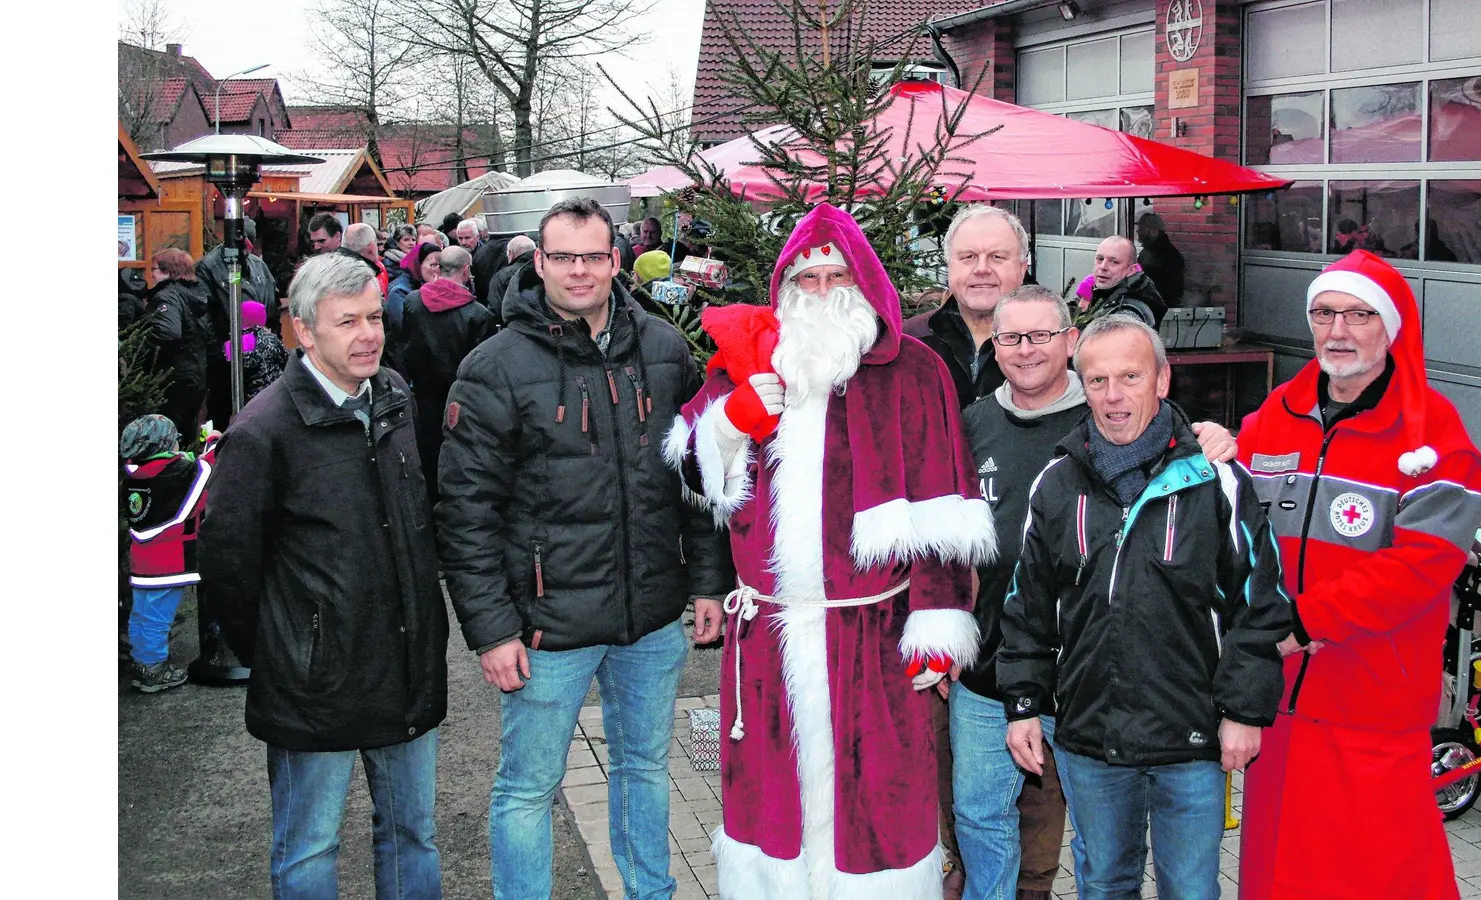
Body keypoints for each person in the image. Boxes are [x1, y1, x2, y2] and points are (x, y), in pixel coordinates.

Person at [665, 202, 995, 898]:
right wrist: (730, 423)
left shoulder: (914, 371)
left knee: (879, 811)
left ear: (864, 282)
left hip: (872, 640)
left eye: (836, 276)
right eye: (806, 280)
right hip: (767, 640)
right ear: (785, 288)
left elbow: (945, 517)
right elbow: (694, 474)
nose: (820, 293)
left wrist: (936, 630)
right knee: (771, 808)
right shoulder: (747, 367)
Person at [435, 197, 733, 900]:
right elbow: (465, 513)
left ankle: (649, 893)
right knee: (527, 790)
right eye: (563, 257)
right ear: (538, 262)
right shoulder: (494, 366)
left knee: (644, 769)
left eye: (593, 256)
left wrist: (708, 584)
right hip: (547, 626)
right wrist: (492, 628)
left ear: (616, 260)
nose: (579, 271)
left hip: (651, 616)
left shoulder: (663, 351)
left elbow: (698, 478)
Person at [952, 286, 1239, 900]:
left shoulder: (1170, 454)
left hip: (1145, 703)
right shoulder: (979, 430)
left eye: (1042, 336)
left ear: (1070, 342)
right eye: (1011, 338)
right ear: (993, 347)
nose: (1026, 350)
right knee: (1027, 837)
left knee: (1145, 867)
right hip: (1004, 675)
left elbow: (1249, 600)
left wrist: (1242, 708)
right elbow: (1011, 588)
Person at [1000, 314, 1292, 900]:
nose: (1113, 396)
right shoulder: (1056, 485)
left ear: (1162, 380)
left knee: (1189, 888)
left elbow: (1260, 604)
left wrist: (1243, 711)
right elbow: (1026, 609)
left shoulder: (1216, 481)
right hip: (1091, 737)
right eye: (1099, 379)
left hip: (1193, 738)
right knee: (1104, 884)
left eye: (1130, 376)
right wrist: (1024, 705)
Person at [198, 253, 450, 900]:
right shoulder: (262, 432)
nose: (369, 334)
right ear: (304, 331)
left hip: (405, 663)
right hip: (314, 685)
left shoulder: (392, 394)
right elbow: (228, 564)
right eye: (347, 322)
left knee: (412, 834)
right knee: (310, 848)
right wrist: (287, 650)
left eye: (374, 317)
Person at [1236, 250, 1481, 900]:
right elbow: (1238, 540)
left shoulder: (1436, 440)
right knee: (1274, 870)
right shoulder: (1270, 422)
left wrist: (1307, 620)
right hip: (1278, 700)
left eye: (1358, 314)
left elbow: (1422, 567)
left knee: (1380, 873)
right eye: (1324, 313)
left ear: (1393, 326)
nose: (1337, 330)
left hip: (1371, 705)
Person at [122, 413, 217, 693]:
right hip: (167, 564)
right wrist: (212, 442)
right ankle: (153, 669)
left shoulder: (138, 474)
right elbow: (206, 473)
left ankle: (141, 661)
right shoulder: (174, 475)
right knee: (157, 617)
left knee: (142, 614)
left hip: (142, 562)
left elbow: (179, 467)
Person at [905, 203, 1029, 408]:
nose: (982, 269)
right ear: (949, 265)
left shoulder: (1048, 347)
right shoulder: (909, 341)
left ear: (1022, 268)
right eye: (968, 257)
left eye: (997, 257)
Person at [397, 246, 492, 502]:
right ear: (466, 270)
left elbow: (407, 348)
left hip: (424, 397)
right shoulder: (478, 314)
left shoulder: (413, 302)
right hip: (462, 401)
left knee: (428, 459)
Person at [196, 217, 282, 430]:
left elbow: (273, 304)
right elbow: (204, 313)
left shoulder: (258, 265)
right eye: (244, 244)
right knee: (223, 413)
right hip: (225, 357)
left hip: (259, 354)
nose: (247, 251)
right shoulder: (209, 266)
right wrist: (218, 351)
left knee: (260, 410)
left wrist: (270, 341)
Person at [143, 248, 211, 444]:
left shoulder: (167, 297)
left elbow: (168, 332)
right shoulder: (194, 295)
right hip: (195, 374)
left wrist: (144, 346)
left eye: (154, 269)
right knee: (187, 434)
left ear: (167, 272)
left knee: (170, 434)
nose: (151, 275)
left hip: (173, 378)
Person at [1079, 236, 1168, 327]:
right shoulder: (1107, 295)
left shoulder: (1128, 313)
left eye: (1114, 262)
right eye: (1100, 259)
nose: (1103, 266)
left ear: (1131, 270)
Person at [223, 300, 289, 407]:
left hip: (249, 403)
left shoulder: (231, 345)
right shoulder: (269, 338)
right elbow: (286, 362)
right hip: (276, 394)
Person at [385, 241, 443, 330]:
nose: (438, 270)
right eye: (433, 265)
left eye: (441, 265)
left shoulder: (423, 283)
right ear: (418, 264)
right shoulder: (398, 291)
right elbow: (402, 329)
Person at [1136, 213, 1185, 310]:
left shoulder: (1162, 255)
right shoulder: (1163, 252)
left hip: (1156, 307)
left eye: (1142, 228)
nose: (1137, 231)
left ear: (1154, 231)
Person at [484, 234, 536, 326]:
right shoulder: (545, 270)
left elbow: (495, 310)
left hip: (514, 330)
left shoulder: (502, 276)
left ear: (511, 253)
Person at [341, 223, 390, 296]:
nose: (379, 248)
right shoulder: (375, 271)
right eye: (377, 244)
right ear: (371, 245)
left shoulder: (334, 273)